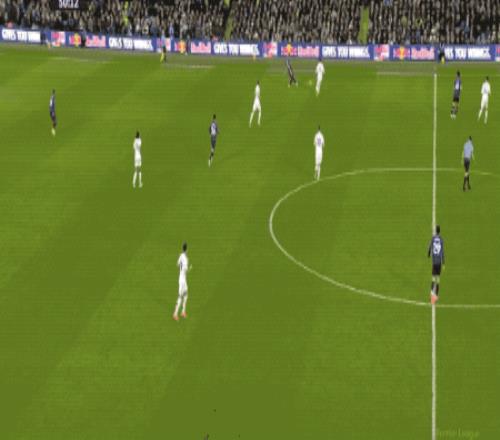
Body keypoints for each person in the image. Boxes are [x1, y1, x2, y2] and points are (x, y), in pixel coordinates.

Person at [173, 242, 191, 320]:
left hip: (182, 279)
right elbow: (186, 270)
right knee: (180, 297)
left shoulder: (180, 255)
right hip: (182, 281)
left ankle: (183, 312)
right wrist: (189, 268)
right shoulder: (186, 259)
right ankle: (175, 314)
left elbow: (177, 264)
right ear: (187, 249)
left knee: (186, 294)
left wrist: (182, 267)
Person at [427, 225, 445, 305]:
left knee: (433, 279)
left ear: (435, 231)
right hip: (439, 263)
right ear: (440, 231)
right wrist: (443, 263)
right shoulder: (441, 239)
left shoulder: (433, 238)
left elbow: (429, 247)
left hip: (434, 262)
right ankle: (436, 296)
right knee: (438, 280)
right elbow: (442, 252)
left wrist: (428, 254)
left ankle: (431, 296)